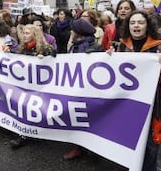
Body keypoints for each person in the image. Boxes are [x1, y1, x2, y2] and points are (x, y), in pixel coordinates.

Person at [113, 10, 161, 171]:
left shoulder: (160, 46)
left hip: (153, 108)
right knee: (130, 144)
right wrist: (108, 58)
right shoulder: (121, 46)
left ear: (147, 25)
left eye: (140, 22)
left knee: (150, 149)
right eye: (132, 23)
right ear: (128, 26)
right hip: (129, 105)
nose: (136, 26)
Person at [9, 24, 56, 149]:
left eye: (27, 33)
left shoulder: (44, 47)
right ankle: (23, 134)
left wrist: (45, 56)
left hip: (40, 87)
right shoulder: (22, 48)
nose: (24, 35)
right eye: (23, 33)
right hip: (25, 86)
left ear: (35, 34)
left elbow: (54, 53)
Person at [63, 18, 103, 160]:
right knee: (76, 119)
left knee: (89, 119)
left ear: (79, 32)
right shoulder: (74, 46)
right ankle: (78, 147)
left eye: (73, 29)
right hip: (75, 89)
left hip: (88, 90)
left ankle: (90, 147)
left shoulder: (95, 47)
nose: (71, 31)